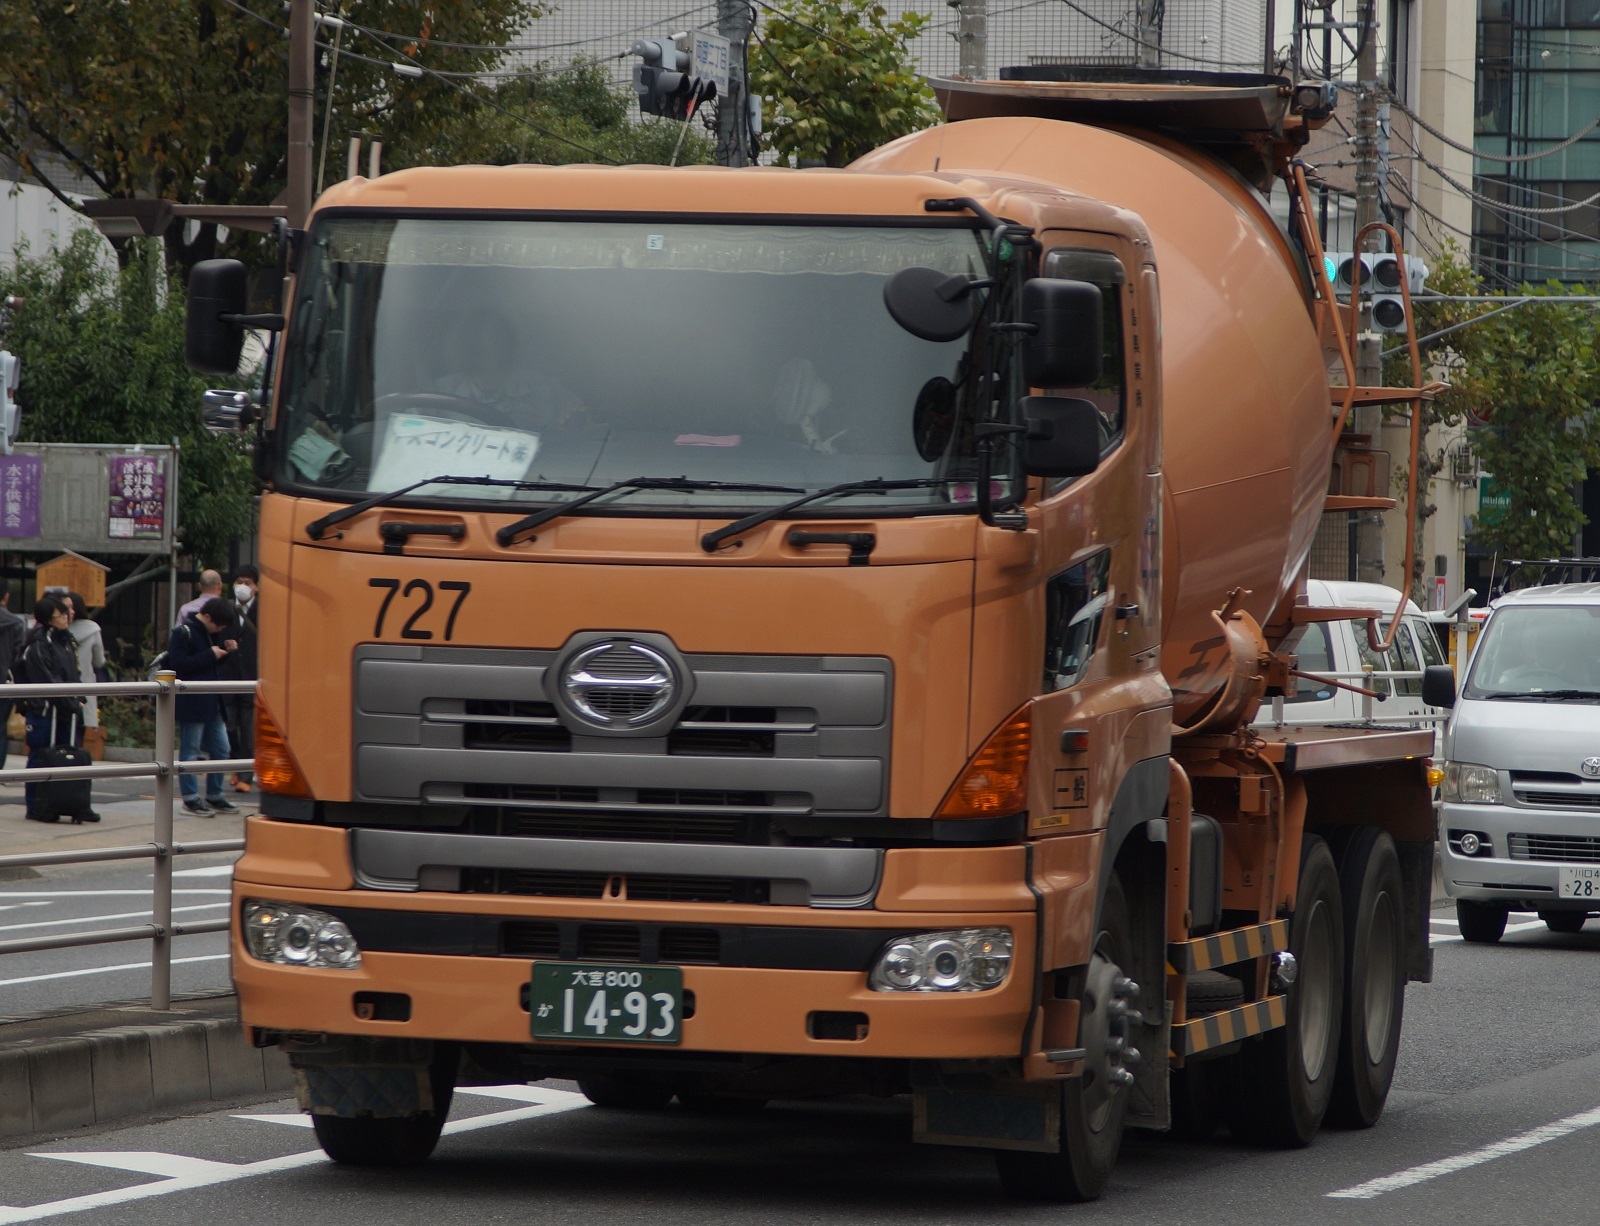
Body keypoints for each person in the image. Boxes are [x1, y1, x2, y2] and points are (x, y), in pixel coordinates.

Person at [16, 596, 98, 823]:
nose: (66, 617)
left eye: (66, 612)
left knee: (68, 755)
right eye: (60, 614)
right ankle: (36, 805)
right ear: (48, 620)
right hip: (44, 711)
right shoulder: (39, 643)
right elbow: (47, 678)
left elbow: (74, 672)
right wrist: (71, 702)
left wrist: (78, 697)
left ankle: (68, 802)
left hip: (66, 710)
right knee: (40, 756)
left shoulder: (66, 640)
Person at [167, 596, 241, 816]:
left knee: (221, 749)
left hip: (211, 700)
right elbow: (179, 665)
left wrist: (225, 653)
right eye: (218, 625)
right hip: (192, 701)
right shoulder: (183, 632)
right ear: (207, 616)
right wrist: (211, 654)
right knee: (190, 751)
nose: (219, 629)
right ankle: (190, 799)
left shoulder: (210, 632)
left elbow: (210, 666)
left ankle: (214, 794)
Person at [221, 565, 259, 793]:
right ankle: (236, 764)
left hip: (252, 676)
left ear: (256, 586)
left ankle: (245, 774)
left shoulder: (266, 610)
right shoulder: (225, 609)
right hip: (228, 675)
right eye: (239, 582)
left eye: (248, 582)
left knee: (248, 728)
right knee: (229, 727)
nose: (243, 587)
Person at [64, 591, 107, 734]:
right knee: (81, 729)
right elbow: (99, 661)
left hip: (63, 685)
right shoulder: (93, 629)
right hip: (86, 683)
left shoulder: (60, 629)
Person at [0, 589, 26, 773]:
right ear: (6, 596)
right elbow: (19, 658)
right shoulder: (16, 624)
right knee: (0, 729)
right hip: (4, 683)